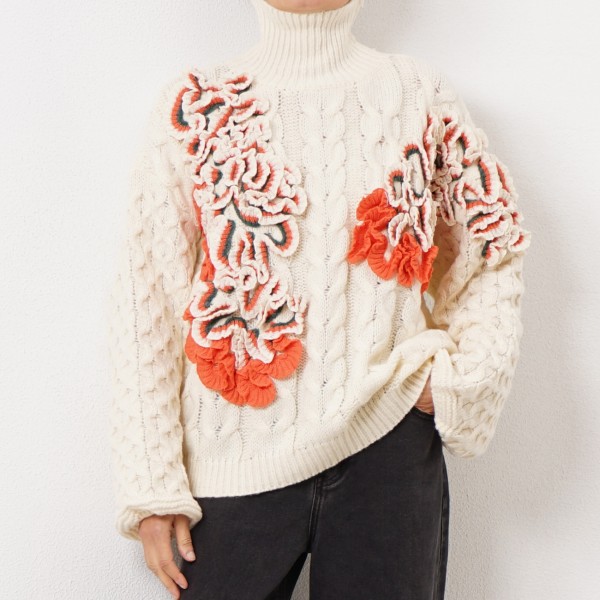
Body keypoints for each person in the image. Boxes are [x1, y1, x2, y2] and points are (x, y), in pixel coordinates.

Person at [106, 0, 532, 598]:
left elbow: (492, 242)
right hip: (231, 465)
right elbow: (145, 298)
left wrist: (461, 383)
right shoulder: (197, 104)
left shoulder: (418, 94)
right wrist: (152, 483)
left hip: (387, 446)